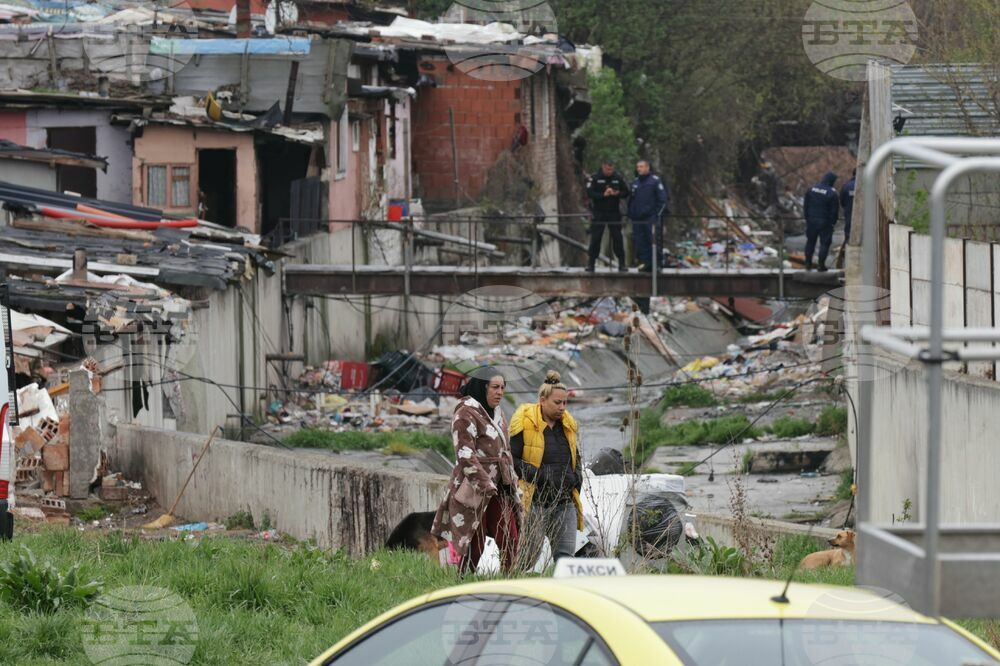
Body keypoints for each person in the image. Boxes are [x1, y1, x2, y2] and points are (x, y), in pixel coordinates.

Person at [431, 367, 520, 574]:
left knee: (509, 536)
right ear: (483, 387)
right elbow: (464, 454)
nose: (500, 392)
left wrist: (511, 477)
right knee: (474, 541)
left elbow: (505, 449)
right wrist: (484, 482)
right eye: (495, 387)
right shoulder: (465, 412)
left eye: (503, 388)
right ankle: (463, 581)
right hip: (473, 488)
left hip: (500, 488)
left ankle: (512, 582)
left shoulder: (498, 413)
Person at [510, 370, 584, 569]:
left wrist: (576, 478)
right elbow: (512, 460)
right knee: (528, 558)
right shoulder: (524, 424)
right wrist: (541, 475)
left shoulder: (567, 426)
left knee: (566, 558)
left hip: (564, 502)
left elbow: (576, 457)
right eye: (557, 403)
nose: (562, 407)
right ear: (542, 400)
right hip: (536, 503)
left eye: (564, 403)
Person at [586, 160, 629, 272]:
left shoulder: (618, 178)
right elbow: (590, 193)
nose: (609, 171)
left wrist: (617, 193)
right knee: (596, 238)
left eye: (611, 169)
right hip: (599, 212)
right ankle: (591, 263)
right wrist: (603, 195)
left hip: (613, 212)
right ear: (603, 167)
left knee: (617, 238)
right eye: (607, 169)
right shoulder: (595, 177)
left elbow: (626, 192)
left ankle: (622, 263)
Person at [628, 160, 670, 271]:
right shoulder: (635, 182)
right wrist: (631, 213)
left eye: (641, 166)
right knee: (641, 241)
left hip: (651, 217)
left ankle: (657, 263)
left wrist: (657, 214)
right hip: (638, 218)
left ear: (647, 168)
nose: (639, 169)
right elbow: (632, 200)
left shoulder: (655, 181)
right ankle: (646, 263)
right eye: (637, 167)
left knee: (654, 239)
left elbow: (662, 199)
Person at [803, 171, 840, 272]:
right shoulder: (832, 193)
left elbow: (806, 205)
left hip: (811, 220)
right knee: (824, 244)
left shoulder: (811, 189)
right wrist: (833, 222)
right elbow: (834, 211)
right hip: (825, 222)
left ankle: (808, 263)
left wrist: (807, 217)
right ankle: (821, 265)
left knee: (810, 242)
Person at [840, 169, 856, 243]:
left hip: (849, 211)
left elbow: (842, 200)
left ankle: (848, 243)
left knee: (848, 228)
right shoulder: (868, 184)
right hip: (865, 214)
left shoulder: (846, 185)